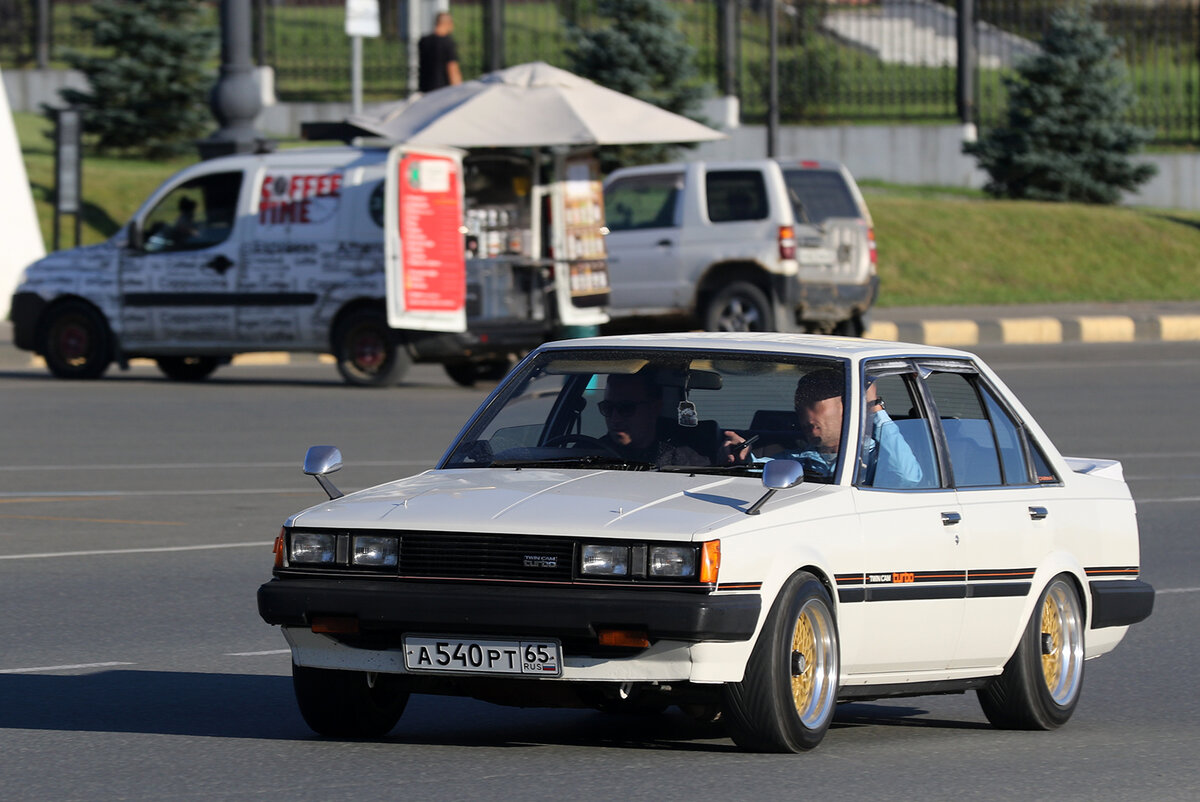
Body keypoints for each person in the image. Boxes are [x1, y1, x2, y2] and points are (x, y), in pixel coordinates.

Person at [724, 369, 923, 486]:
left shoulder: (876, 455)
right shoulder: (797, 459)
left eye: (814, 404)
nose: (806, 416)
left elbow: (909, 477)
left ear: (847, 406)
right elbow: (764, 471)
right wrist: (745, 457)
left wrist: (873, 407)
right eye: (800, 407)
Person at [599, 372, 709, 467]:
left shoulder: (682, 457)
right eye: (607, 407)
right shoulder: (590, 454)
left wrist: (725, 463)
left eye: (626, 408)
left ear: (654, 408)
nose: (615, 418)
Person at [417, 12, 462, 93]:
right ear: (448, 23)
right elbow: (452, 68)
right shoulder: (448, 42)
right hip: (443, 90)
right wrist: (458, 90)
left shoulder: (423, 41)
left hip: (425, 88)